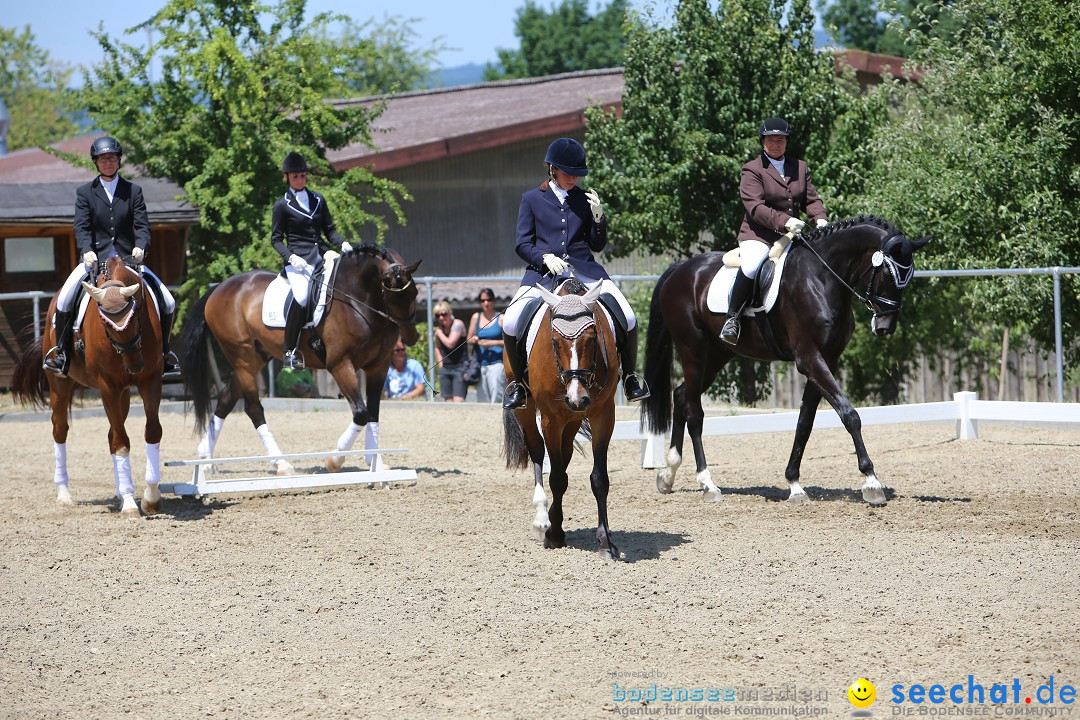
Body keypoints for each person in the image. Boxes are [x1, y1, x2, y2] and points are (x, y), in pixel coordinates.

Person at [500, 137, 649, 410]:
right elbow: (522, 243)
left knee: (627, 315)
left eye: (577, 175)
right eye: (568, 173)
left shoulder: (583, 199)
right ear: (552, 169)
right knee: (510, 321)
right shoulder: (532, 199)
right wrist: (544, 257)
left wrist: (598, 218)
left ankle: (629, 377)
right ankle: (519, 384)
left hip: (586, 271)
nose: (574, 179)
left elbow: (597, 244)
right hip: (544, 273)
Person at [44, 136, 180, 377]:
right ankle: (62, 353)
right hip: (94, 261)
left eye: (112, 158)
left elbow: (142, 225)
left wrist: (141, 246)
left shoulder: (133, 191)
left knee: (168, 300)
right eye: (103, 159)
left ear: (119, 160)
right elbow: (82, 227)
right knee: (64, 299)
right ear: (96, 162)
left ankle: (164, 353)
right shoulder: (85, 192)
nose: (108, 162)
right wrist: (86, 250)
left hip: (129, 260)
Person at [723, 117, 829, 345]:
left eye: (780, 140)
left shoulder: (799, 167)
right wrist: (786, 221)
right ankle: (732, 319)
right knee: (752, 265)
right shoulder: (752, 170)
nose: (776, 144)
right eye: (771, 140)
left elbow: (811, 199)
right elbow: (755, 207)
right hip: (759, 235)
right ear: (763, 142)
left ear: (786, 142)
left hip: (791, 235)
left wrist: (820, 219)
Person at [270, 151, 352, 370]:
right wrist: (290, 257)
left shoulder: (318, 199)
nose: (300, 180)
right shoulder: (282, 205)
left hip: (321, 254)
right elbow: (276, 240)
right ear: (287, 177)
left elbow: (330, 230)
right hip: (298, 260)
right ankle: (289, 351)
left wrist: (342, 243)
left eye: (303, 176)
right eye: (295, 176)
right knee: (303, 295)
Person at [467, 288, 505, 404]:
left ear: (493, 301)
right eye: (482, 300)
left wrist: (493, 343)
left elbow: (510, 342)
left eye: (489, 300)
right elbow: (468, 339)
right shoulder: (475, 317)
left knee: (496, 397)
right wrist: (474, 339)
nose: (486, 303)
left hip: (497, 364)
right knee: (482, 400)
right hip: (480, 364)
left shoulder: (501, 318)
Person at [433, 300, 467, 402]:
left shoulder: (457, 324)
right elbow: (437, 347)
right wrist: (441, 365)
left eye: (444, 314)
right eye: (437, 316)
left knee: (458, 401)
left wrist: (439, 334)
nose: (441, 318)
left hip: (460, 367)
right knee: (447, 401)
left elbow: (450, 343)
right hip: (446, 368)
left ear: (450, 312)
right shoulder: (440, 329)